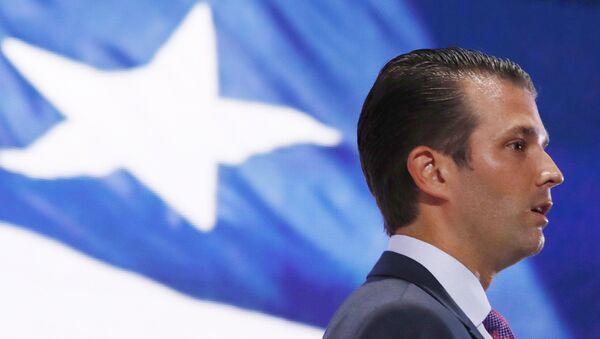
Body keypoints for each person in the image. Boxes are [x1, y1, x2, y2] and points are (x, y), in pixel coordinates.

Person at [323, 48, 564, 339]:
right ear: (432, 172)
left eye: (543, 147)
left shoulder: (422, 314)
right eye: (517, 145)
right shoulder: (402, 323)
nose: (553, 173)